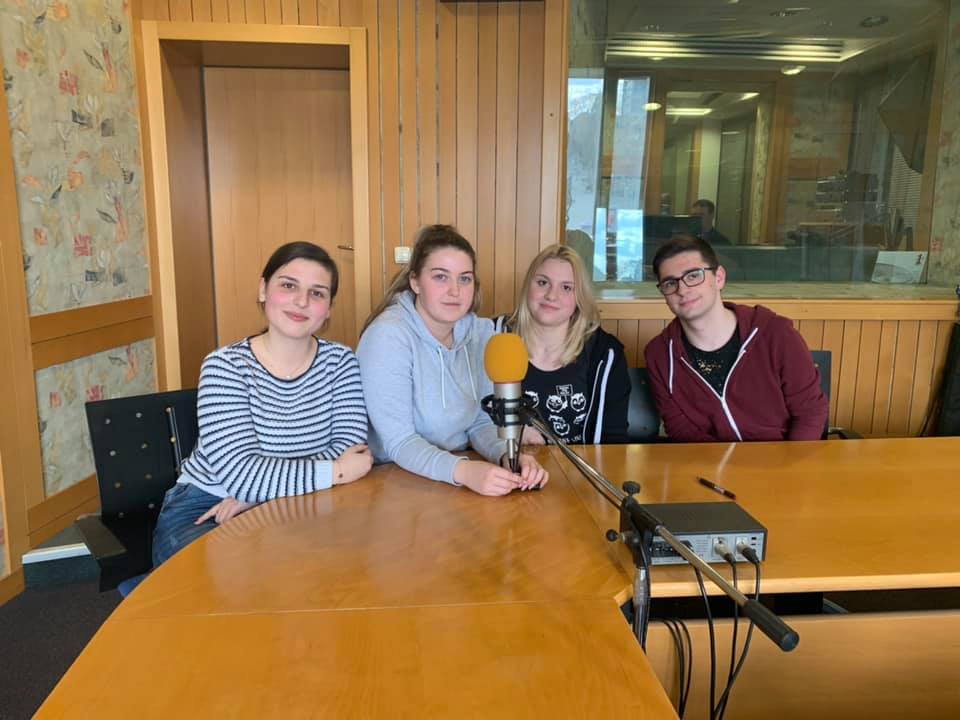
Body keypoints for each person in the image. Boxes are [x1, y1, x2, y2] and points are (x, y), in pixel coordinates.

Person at [151, 242, 373, 569]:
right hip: (207, 503)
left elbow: (351, 451)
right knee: (234, 580)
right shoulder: (225, 366)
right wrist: (334, 471)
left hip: (308, 499)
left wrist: (262, 491)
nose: (302, 301)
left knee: (341, 569)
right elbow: (241, 474)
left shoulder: (341, 362)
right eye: (289, 286)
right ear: (263, 290)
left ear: (328, 308)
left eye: (317, 293)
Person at [356, 224, 548, 496]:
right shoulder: (387, 336)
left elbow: (480, 422)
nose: (455, 291)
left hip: (455, 473)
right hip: (393, 478)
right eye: (440, 277)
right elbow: (399, 442)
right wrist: (464, 472)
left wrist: (508, 456)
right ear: (415, 282)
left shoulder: (482, 333)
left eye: (465, 279)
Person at [643, 235, 827, 442]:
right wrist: (721, 461)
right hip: (709, 460)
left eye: (693, 276)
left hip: (782, 457)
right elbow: (680, 428)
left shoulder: (776, 334)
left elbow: (810, 413)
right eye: (670, 283)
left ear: (719, 278)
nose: (683, 290)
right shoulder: (659, 354)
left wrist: (790, 461)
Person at [495, 244, 630, 444]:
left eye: (566, 288)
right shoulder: (493, 336)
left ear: (579, 297)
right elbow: (473, 419)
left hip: (580, 463)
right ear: (527, 287)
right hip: (507, 461)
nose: (551, 296)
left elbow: (612, 440)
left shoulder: (605, 352)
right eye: (542, 283)